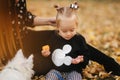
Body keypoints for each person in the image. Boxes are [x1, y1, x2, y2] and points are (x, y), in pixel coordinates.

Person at [38, 2, 120, 80]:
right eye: (64, 31)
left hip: (73, 71)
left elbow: (86, 54)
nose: (68, 34)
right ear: (58, 28)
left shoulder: (79, 40)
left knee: (76, 78)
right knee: (50, 77)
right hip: (56, 71)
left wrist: (81, 59)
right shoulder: (54, 38)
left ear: (76, 26)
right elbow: (50, 54)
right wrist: (46, 54)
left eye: (72, 30)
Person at [0, 0, 56, 65]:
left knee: (56, 36)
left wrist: (49, 21)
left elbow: (24, 18)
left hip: (24, 37)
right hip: (7, 48)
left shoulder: (20, 1)